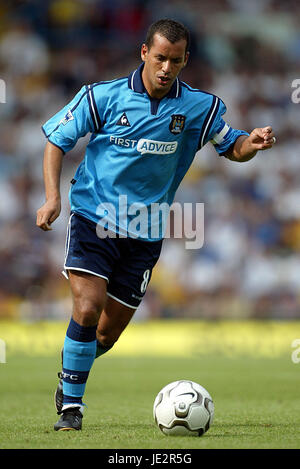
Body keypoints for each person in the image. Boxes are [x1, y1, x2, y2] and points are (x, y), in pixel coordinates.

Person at [36, 19, 276, 431]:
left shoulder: (201, 107)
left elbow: (230, 146)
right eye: (160, 57)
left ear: (186, 61)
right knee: (87, 306)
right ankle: (71, 409)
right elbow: (57, 140)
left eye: (176, 61)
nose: (166, 67)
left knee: (105, 336)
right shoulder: (102, 97)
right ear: (144, 53)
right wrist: (53, 197)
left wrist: (249, 145)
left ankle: (69, 372)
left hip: (146, 231)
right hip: (94, 218)